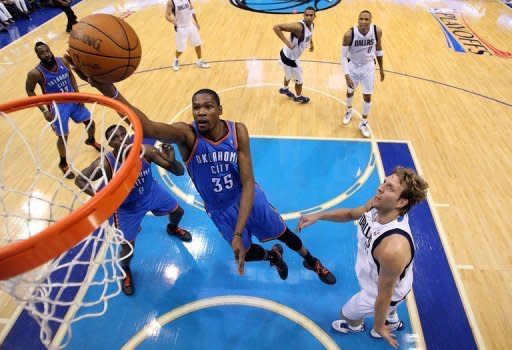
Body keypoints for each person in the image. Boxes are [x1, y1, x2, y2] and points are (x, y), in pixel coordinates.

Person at [69, 61, 336, 284]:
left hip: (248, 197)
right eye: (196, 107)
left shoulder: (237, 130)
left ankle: (311, 261)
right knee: (244, 252)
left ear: (220, 110)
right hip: (219, 208)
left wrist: (236, 231)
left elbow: (248, 182)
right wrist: (105, 88)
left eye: (208, 106)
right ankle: (272, 257)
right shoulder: (186, 135)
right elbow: (147, 127)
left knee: (283, 234)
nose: (201, 112)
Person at [297, 167, 428, 348]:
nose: (381, 188)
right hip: (394, 280)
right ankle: (391, 319)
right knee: (392, 304)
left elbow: (384, 294)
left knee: (347, 314)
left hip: (382, 291)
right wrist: (319, 216)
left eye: (390, 188)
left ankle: (356, 327)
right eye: (384, 182)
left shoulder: (393, 248)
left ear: (401, 202)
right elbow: (352, 213)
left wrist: (378, 327)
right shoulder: (377, 206)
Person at [75, 124, 192, 296]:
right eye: (115, 137)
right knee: (127, 247)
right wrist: (98, 197)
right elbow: (80, 180)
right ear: (110, 143)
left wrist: (172, 160)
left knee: (178, 212)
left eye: (123, 134)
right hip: (126, 208)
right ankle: (125, 271)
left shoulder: (146, 151)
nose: (121, 139)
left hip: (151, 193)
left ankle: (173, 228)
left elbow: (179, 172)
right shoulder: (106, 163)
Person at [26, 42, 101, 179]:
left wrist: (78, 94)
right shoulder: (35, 73)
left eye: (47, 51)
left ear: (50, 49)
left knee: (90, 122)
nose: (46, 54)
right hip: (58, 106)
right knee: (63, 136)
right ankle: (63, 163)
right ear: (37, 55)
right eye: (42, 53)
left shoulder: (63, 61)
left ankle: (91, 140)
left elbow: (71, 77)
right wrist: (44, 111)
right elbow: (30, 91)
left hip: (73, 98)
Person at [340, 10, 384, 138]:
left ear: (371, 20)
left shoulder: (377, 31)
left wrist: (381, 69)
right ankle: (348, 111)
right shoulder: (349, 34)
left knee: (368, 97)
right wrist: (346, 74)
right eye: (361, 19)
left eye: (366, 19)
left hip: (368, 67)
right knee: (350, 92)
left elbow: (379, 50)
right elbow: (343, 57)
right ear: (357, 19)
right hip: (353, 66)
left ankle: (363, 123)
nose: (363, 22)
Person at [273, 6, 315, 104]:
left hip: (286, 55)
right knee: (299, 81)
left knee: (288, 75)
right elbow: (276, 27)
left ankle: (285, 89)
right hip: (290, 59)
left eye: (311, 15)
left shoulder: (312, 25)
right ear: (303, 15)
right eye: (307, 15)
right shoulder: (298, 27)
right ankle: (298, 97)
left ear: (314, 16)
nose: (308, 17)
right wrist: (288, 43)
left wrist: (311, 43)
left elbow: (310, 35)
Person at [165, 0, 210, 71]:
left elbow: (192, 10)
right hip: (181, 28)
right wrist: (173, 22)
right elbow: (167, 15)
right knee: (181, 49)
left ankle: (199, 61)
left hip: (190, 25)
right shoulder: (171, 2)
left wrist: (196, 22)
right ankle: (175, 60)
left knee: (198, 44)